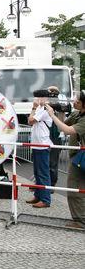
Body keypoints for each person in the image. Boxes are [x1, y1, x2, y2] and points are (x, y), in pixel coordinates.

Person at [45, 91, 85, 228]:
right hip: (78, 156)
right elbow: (61, 124)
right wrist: (60, 110)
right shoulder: (77, 114)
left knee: (74, 187)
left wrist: (51, 114)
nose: (74, 102)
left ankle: (80, 221)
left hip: (81, 158)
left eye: (77, 101)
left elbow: (67, 130)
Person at [26, 95, 53, 208]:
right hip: (36, 145)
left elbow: (30, 121)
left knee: (43, 173)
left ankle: (45, 199)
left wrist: (33, 108)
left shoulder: (46, 110)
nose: (37, 100)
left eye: (41, 98)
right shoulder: (40, 109)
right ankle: (38, 195)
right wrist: (35, 108)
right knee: (37, 173)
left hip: (42, 145)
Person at [47, 86, 64, 188]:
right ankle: (42, 183)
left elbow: (64, 110)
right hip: (45, 136)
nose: (52, 94)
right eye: (50, 92)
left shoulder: (60, 104)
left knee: (53, 162)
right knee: (43, 161)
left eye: (54, 92)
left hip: (55, 136)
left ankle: (52, 184)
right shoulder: (45, 104)